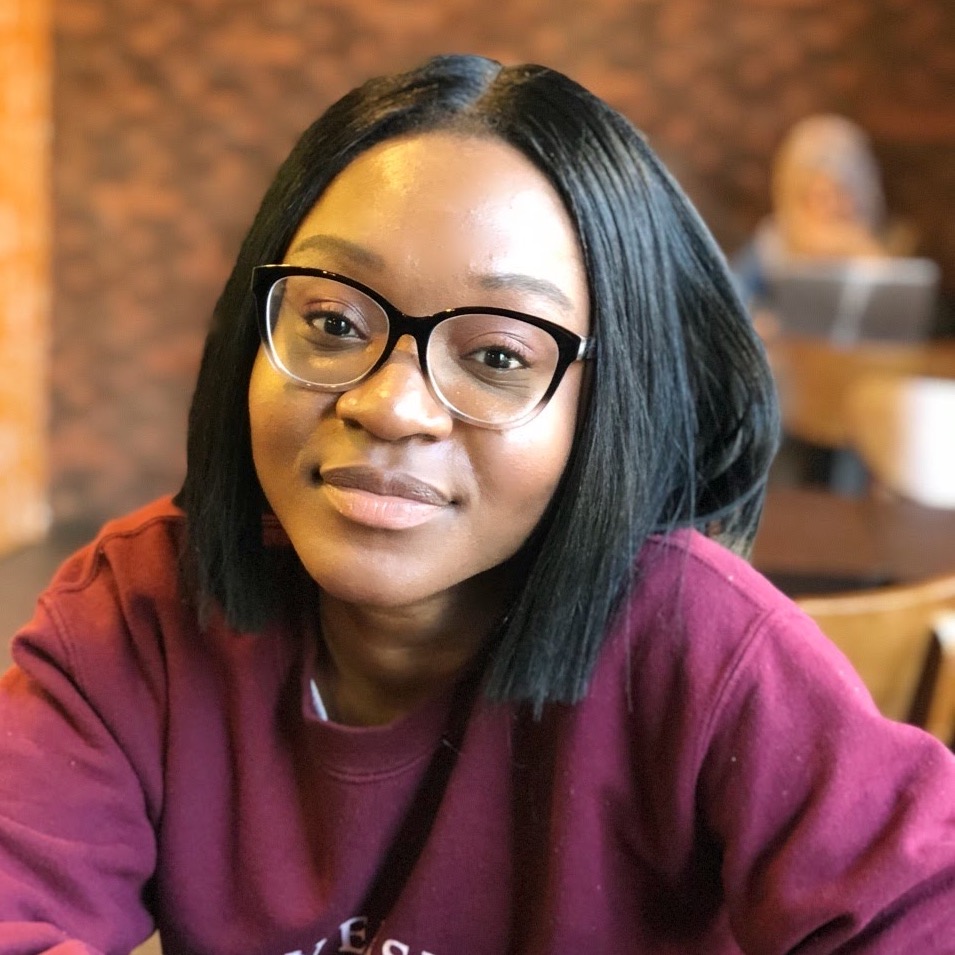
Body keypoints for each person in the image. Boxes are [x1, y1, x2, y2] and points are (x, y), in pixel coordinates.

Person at [1, 54, 953, 954]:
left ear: (608, 403)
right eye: (332, 322)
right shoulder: (139, 614)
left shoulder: (697, 649)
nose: (390, 404)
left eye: (497, 356)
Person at [732, 113, 918, 321]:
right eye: (821, 196)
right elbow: (733, 299)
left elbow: (905, 318)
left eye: (844, 193)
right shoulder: (774, 245)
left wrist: (866, 255)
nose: (833, 207)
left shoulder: (896, 240)